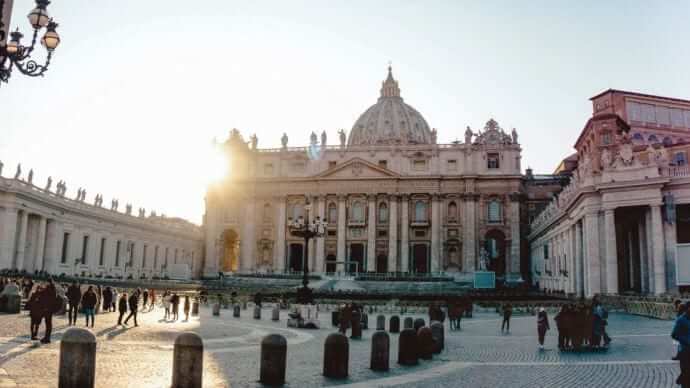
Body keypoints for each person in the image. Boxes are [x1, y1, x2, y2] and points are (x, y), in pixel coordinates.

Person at [672, 302, 690, 388]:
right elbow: (674, 334)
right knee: (686, 372)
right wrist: (687, 341)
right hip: (685, 350)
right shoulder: (681, 320)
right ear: (688, 308)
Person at [39, 279, 58, 344]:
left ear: (48, 282)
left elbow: (47, 298)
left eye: (46, 282)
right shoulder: (52, 288)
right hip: (49, 308)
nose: (45, 283)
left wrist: (46, 307)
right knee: (48, 323)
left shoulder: (50, 289)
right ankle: (47, 337)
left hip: (48, 308)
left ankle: (47, 338)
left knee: (48, 323)